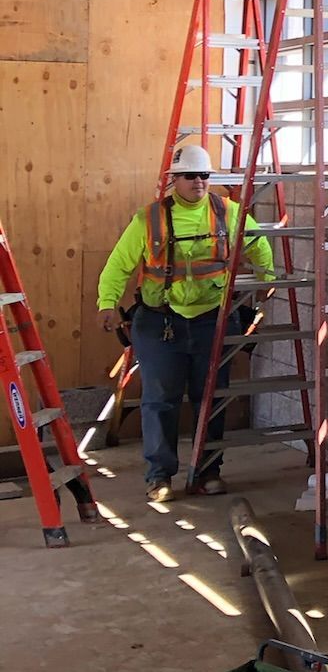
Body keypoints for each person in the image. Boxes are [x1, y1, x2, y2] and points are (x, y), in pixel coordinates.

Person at [96, 143, 275, 503]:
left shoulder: (229, 212)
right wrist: (107, 302)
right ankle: (159, 477)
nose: (199, 182)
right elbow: (119, 264)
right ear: (174, 180)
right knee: (160, 401)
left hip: (212, 321)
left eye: (205, 175)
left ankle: (208, 472)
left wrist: (267, 282)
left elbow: (259, 246)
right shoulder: (148, 220)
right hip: (161, 324)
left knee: (210, 399)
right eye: (191, 176)